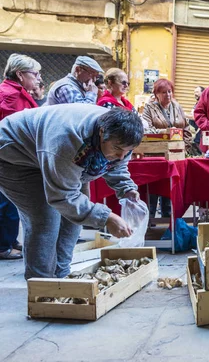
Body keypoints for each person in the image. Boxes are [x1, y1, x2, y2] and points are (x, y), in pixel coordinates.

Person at [0, 105, 142, 278]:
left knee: (73, 219)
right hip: (15, 158)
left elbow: (116, 164)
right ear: (102, 133)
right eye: (117, 149)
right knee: (45, 219)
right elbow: (63, 196)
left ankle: (62, 277)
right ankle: (41, 286)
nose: (122, 156)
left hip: (59, 157)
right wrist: (106, 218)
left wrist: (126, 188)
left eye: (127, 151)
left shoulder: (120, 137)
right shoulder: (67, 140)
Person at [0, 53, 42, 260]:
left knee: (11, 203)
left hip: (14, 156)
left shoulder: (15, 91)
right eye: (34, 74)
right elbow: (12, 129)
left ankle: (9, 240)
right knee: (7, 202)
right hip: (11, 158)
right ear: (20, 74)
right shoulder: (11, 95)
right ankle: (3, 246)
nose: (38, 78)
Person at [142, 78, 192, 218]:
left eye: (169, 92)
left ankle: (168, 221)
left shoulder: (177, 106)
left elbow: (187, 128)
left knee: (170, 190)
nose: (168, 95)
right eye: (163, 92)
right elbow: (146, 129)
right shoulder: (149, 108)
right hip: (155, 156)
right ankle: (149, 220)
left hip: (175, 156)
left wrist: (185, 148)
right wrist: (166, 132)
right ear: (156, 94)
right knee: (153, 189)